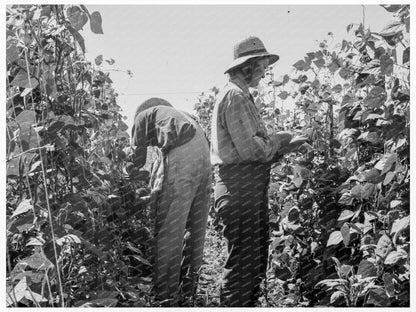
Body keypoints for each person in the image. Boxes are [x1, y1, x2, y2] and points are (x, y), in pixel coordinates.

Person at [211, 36, 307, 306]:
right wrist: (283, 141)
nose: (265, 73)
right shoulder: (234, 96)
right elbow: (252, 151)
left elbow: (253, 149)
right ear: (247, 66)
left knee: (253, 262)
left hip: (248, 188)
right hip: (239, 189)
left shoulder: (240, 95)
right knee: (243, 267)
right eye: (262, 66)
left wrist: (283, 144)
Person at [130, 98, 211, 305]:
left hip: (184, 155)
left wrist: (129, 174)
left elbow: (136, 160)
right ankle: (189, 287)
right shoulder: (180, 116)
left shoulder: (142, 117)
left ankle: (164, 296)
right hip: (204, 154)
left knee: (170, 227)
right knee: (196, 226)